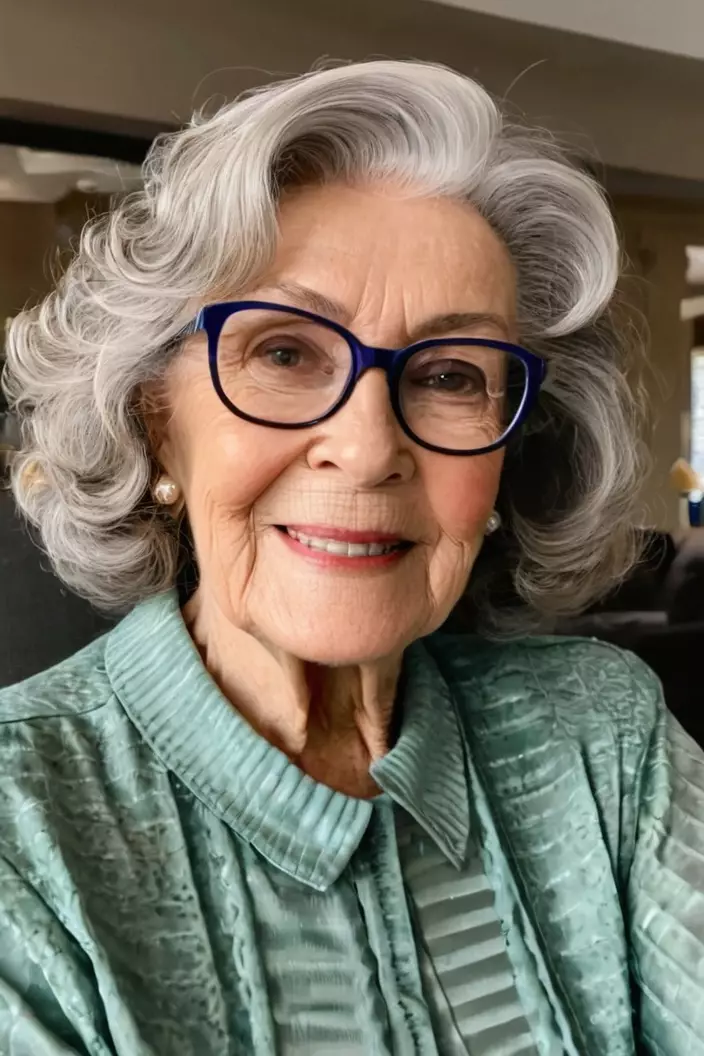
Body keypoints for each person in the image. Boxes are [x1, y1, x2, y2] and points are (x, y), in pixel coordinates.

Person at [0, 60, 699, 1056]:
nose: (369, 447)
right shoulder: (22, 827)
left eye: (451, 374)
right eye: (284, 353)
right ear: (157, 422)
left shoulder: (600, 739)